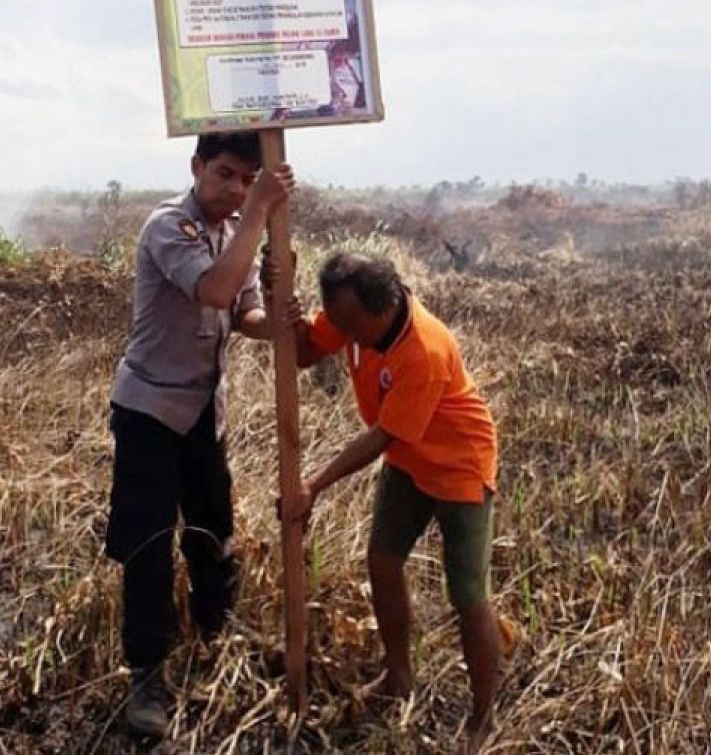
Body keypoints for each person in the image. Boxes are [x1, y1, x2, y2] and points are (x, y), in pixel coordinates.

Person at [106, 131, 294, 737]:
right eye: (225, 175)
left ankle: (215, 637)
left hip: (203, 415)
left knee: (214, 534)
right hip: (150, 415)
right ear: (196, 168)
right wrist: (261, 211)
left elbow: (243, 313)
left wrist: (280, 316)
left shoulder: (235, 229)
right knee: (148, 549)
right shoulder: (170, 227)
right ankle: (146, 675)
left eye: (247, 179)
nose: (235, 189)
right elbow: (214, 289)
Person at [280, 251, 507, 752]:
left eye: (347, 323)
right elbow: (304, 353)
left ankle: (483, 716)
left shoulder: (423, 349)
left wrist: (313, 485)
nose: (339, 331)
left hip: (458, 467)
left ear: (381, 308)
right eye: (334, 318)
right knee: (382, 562)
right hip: (409, 460)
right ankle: (399, 676)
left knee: (468, 596)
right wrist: (288, 309)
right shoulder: (352, 314)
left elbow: (382, 437)